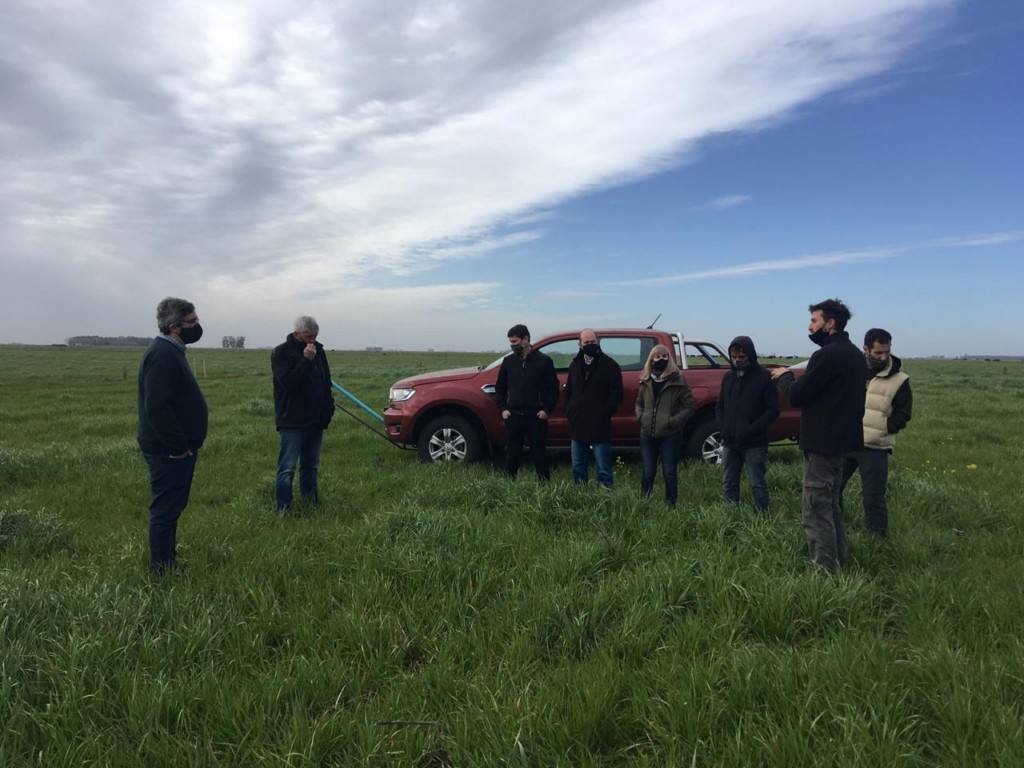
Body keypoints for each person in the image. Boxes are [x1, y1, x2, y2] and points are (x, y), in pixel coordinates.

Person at [772, 298, 866, 571]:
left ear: (830, 323)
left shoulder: (826, 355)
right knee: (831, 504)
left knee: (815, 508)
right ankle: (839, 559)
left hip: (822, 444)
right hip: (844, 443)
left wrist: (785, 376)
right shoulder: (855, 355)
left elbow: (798, 396)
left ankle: (824, 570)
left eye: (814, 320)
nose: (809, 326)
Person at [137, 297, 208, 575]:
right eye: (192, 321)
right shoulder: (163, 355)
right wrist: (177, 447)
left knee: (172, 507)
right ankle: (162, 569)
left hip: (174, 447)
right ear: (174, 326)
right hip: (168, 449)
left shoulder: (172, 351)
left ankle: (167, 560)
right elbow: (156, 407)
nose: (197, 326)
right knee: (166, 509)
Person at [840, 328, 913, 536]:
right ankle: (837, 528)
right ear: (865, 349)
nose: (883, 357)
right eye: (878, 353)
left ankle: (877, 539)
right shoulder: (853, 370)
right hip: (846, 441)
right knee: (833, 488)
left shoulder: (900, 380)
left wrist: (883, 429)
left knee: (873, 497)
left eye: (886, 352)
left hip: (875, 447)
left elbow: (904, 413)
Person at [271, 316, 336, 513]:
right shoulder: (281, 353)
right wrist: (306, 360)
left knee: (311, 467)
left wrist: (328, 409)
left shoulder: (319, 351)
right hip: (292, 420)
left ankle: (310, 506)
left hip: (316, 420)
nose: (312, 340)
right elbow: (288, 383)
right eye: (309, 336)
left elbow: (326, 382)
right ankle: (284, 509)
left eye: (315, 336)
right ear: (297, 333)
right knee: (287, 468)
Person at [715, 336, 780, 513]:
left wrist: (752, 429)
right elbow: (720, 405)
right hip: (729, 442)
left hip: (754, 443)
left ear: (750, 355)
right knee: (729, 483)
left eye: (741, 357)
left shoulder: (764, 377)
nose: (737, 361)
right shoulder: (728, 377)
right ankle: (731, 516)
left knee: (757, 483)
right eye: (734, 357)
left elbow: (773, 410)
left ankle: (762, 517)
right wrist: (722, 427)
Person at [495, 323, 559, 481]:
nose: (512, 345)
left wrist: (546, 410)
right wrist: (503, 409)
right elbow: (500, 387)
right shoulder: (508, 362)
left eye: (515, 341)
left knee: (539, 453)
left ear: (525, 339)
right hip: (513, 416)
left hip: (536, 416)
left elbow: (553, 388)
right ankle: (509, 484)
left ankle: (544, 485)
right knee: (512, 453)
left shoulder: (544, 361)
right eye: (510, 342)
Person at [634, 345, 696, 505]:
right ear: (652, 360)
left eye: (664, 357)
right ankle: (645, 503)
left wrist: (673, 421)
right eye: (658, 357)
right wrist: (640, 416)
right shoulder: (645, 380)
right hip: (647, 434)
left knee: (669, 472)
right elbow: (639, 403)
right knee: (648, 472)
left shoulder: (678, 381)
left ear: (669, 359)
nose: (661, 360)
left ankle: (671, 505)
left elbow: (690, 406)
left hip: (670, 436)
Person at [564, 329, 623, 487]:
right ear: (580, 345)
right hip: (578, 424)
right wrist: (570, 411)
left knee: (603, 469)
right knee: (578, 467)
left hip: (600, 425)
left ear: (597, 342)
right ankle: (580, 495)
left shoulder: (610, 365)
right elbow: (569, 391)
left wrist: (604, 413)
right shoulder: (575, 365)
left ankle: (605, 496)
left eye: (593, 342)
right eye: (587, 343)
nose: (590, 345)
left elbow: (616, 394)